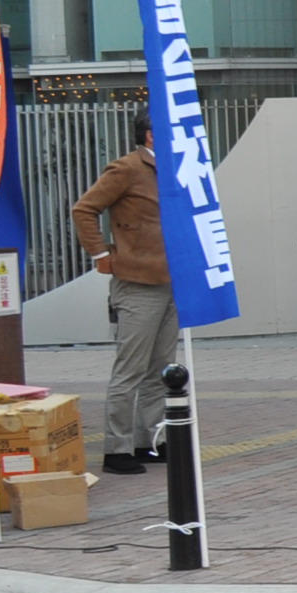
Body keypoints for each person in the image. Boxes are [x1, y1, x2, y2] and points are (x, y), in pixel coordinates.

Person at [73, 116, 175, 477]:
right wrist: (102, 255)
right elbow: (84, 208)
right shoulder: (127, 168)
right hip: (136, 280)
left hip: (171, 279)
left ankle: (148, 441)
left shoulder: (176, 167)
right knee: (130, 368)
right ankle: (116, 448)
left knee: (160, 368)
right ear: (151, 134)